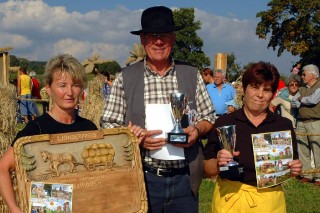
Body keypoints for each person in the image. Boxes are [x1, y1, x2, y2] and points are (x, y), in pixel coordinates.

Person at [100, 6, 215, 213]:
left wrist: (197, 130)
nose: (159, 41)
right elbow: (108, 123)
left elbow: (209, 117)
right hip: (143, 178)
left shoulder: (191, 74)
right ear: (143, 40)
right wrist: (133, 137)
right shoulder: (125, 77)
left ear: (173, 38)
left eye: (164, 35)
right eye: (153, 36)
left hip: (185, 181)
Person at [0, 54, 98, 213]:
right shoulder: (36, 129)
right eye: (62, 85)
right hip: (49, 208)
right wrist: (13, 207)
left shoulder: (89, 127)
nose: (69, 92)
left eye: (75, 85)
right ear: (48, 88)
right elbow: (2, 168)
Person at [203, 61, 302, 213]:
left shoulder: (283, 125)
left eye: (267, 90)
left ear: (273, 94)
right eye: (255, 87)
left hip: (269, 203)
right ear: (244, 89)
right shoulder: (224, 123)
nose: (260, 95)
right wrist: (218, 162)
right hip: (230, 201)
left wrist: (295, 168)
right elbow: (205, 168)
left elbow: (291, 164)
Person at [291, 64, 320, 185]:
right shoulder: (302, 89)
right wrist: (302, 100)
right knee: (303, 149)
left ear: (313, 75)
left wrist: (300, 100)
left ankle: (318, 176)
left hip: (315, 122)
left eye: (304, 74)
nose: (302, 76)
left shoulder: (319, 86)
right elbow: (293, 102)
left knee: (317, 149)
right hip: (301, 122)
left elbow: (314, 100)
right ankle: (306, 174)